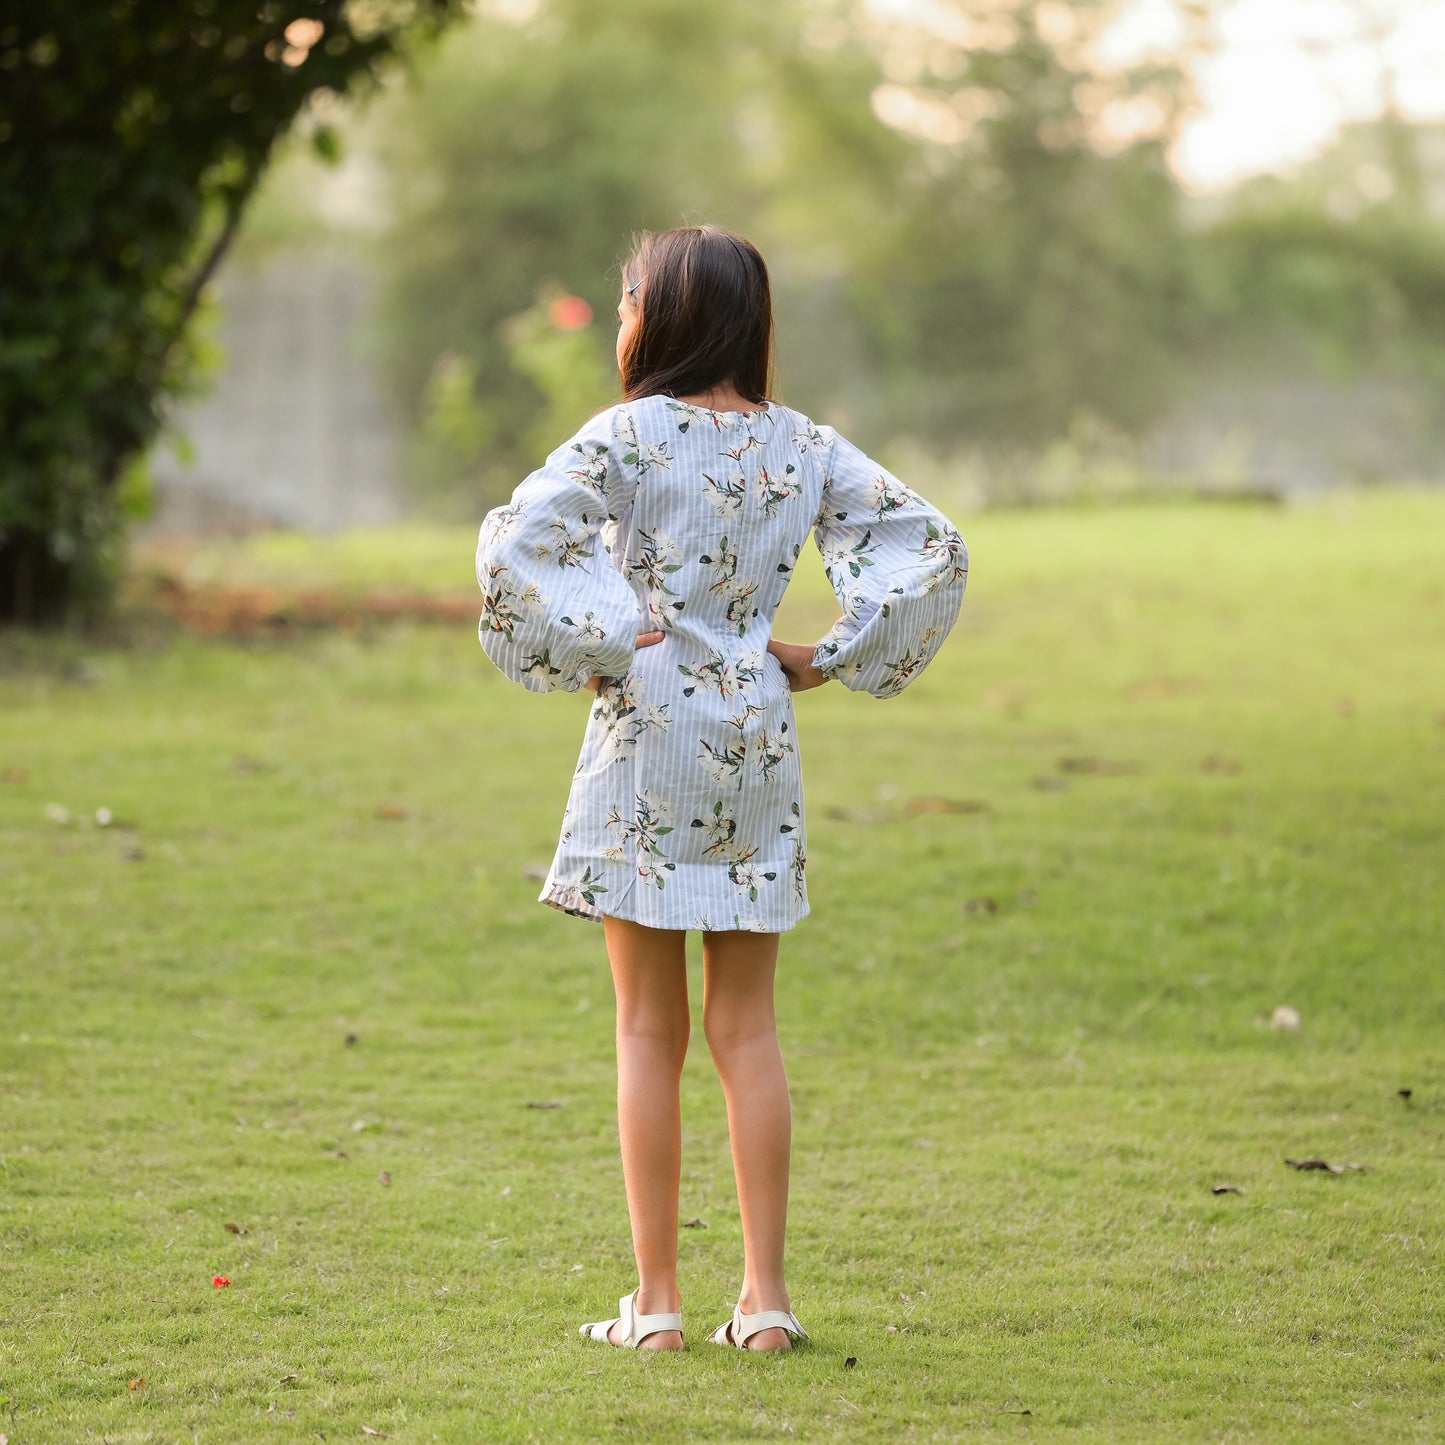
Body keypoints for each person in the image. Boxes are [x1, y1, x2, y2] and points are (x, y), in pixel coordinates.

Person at [475, 224, 968, 1352]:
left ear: (662, 314)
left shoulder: (621, 440)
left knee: (646, 1028)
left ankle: (654, 1303)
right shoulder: (802, 445)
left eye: (624, 300)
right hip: (754, 732)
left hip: (644, 727)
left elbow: (513, 545)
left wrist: (605, 633)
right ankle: (768, 1298)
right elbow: (928, 545)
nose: (617, 319)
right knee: (747, 1028)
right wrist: (828, 653)